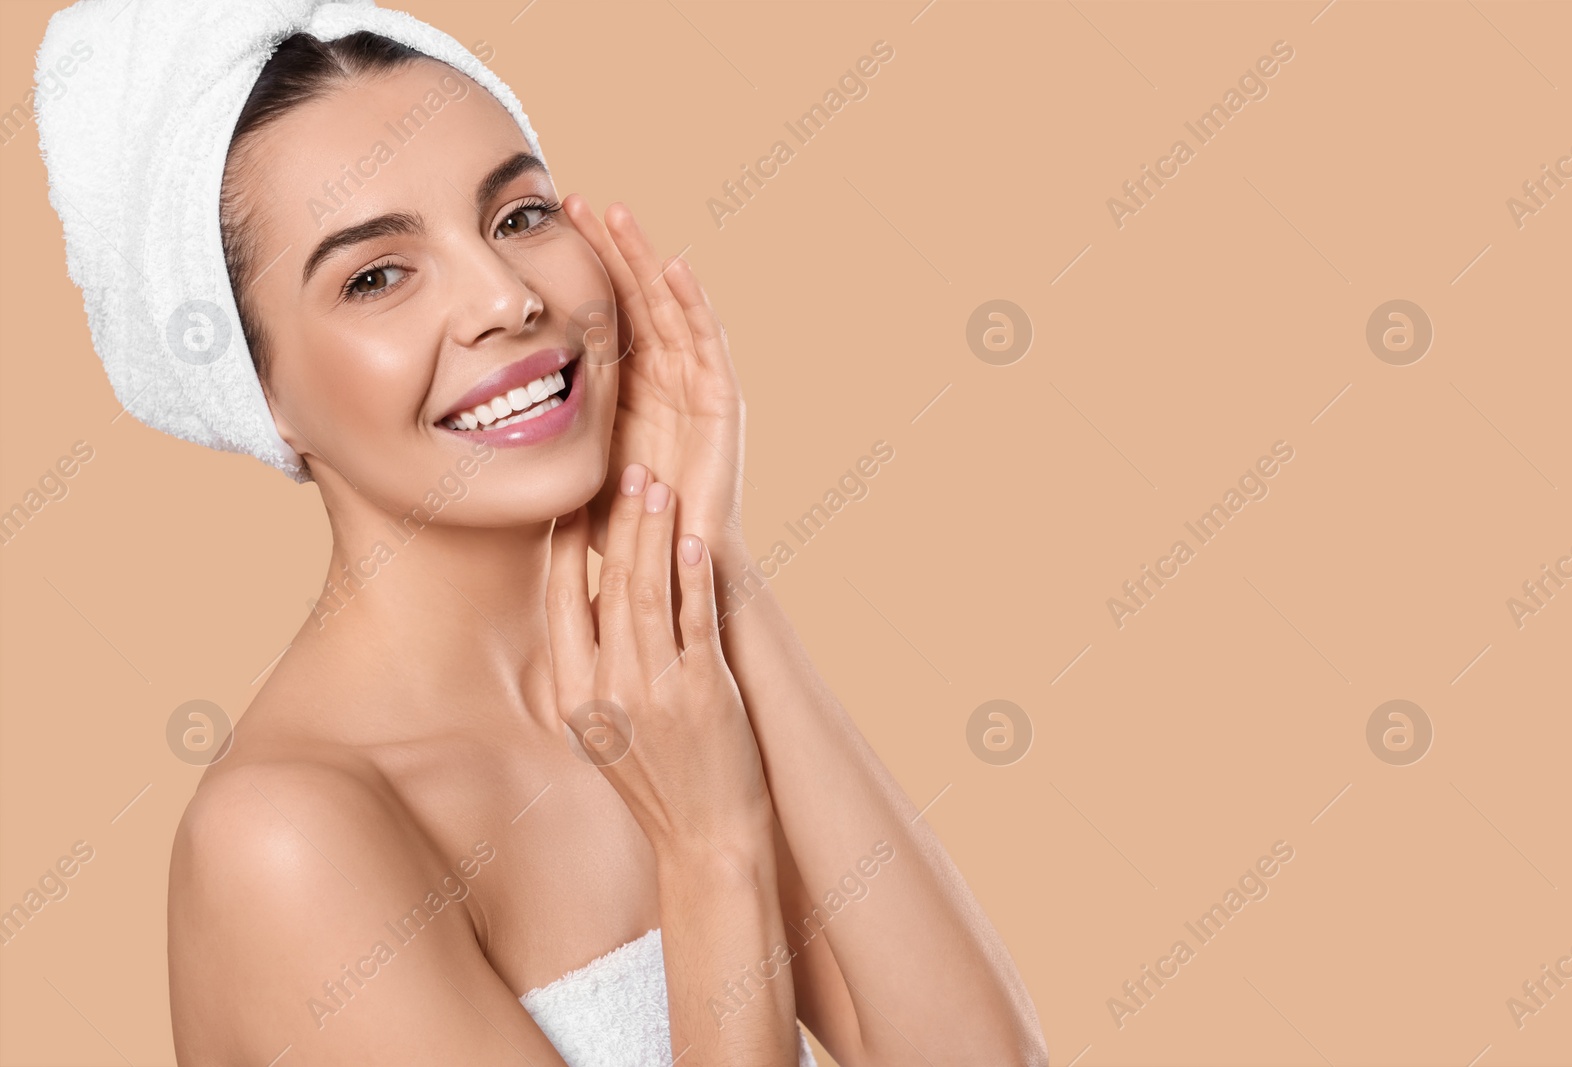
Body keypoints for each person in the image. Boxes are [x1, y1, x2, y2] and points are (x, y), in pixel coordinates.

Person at [38, 5, 1047, 1063]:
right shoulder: (285, 840)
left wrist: (704, 562)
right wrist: (709, 848)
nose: (507, 299)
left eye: (517, 216)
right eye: (375, 275)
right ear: (260, 393)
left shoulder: (663, 695)